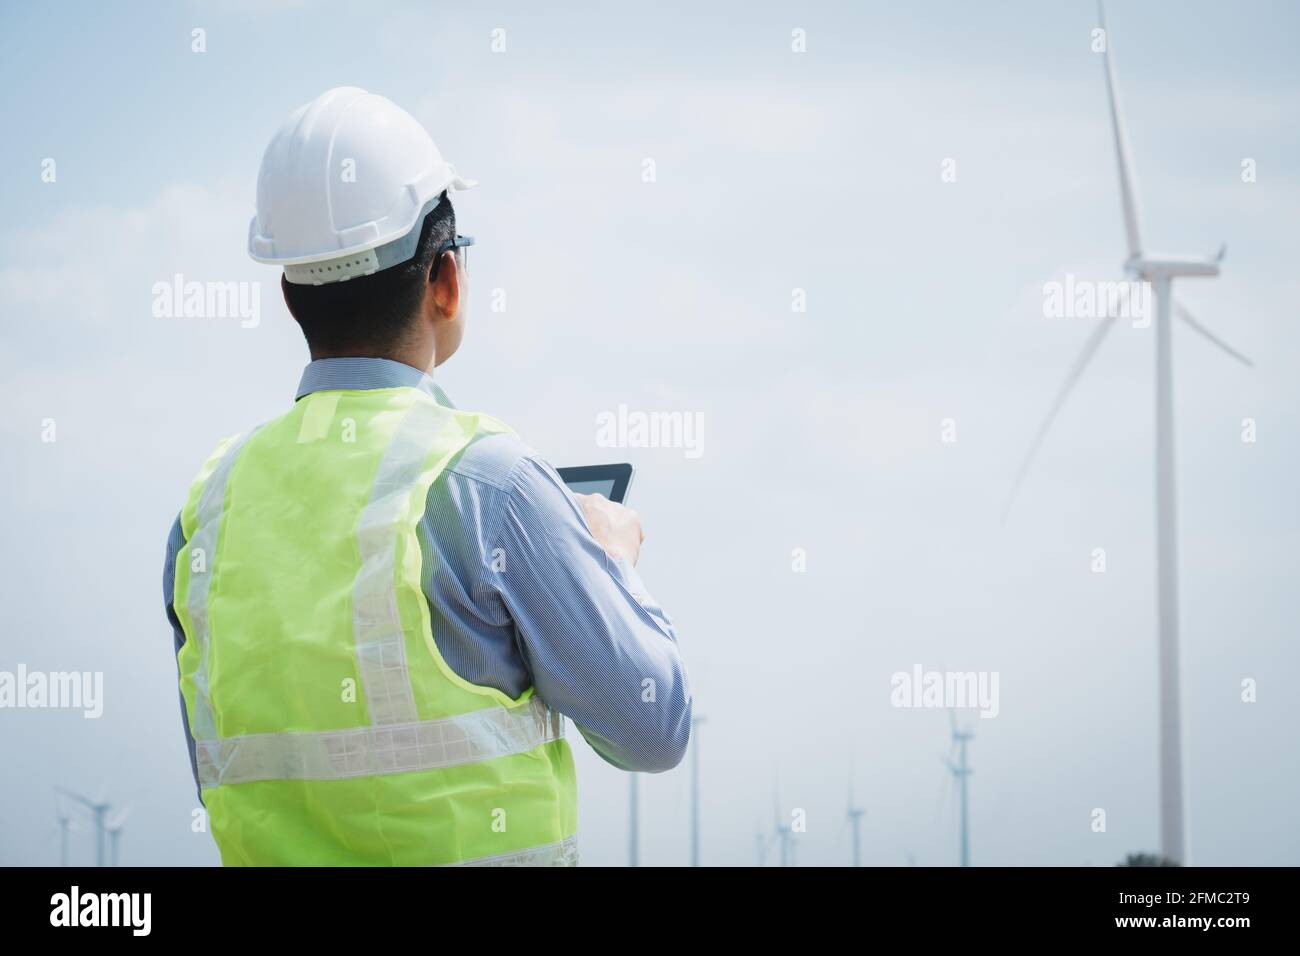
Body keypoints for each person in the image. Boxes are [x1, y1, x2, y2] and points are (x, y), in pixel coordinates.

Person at [161, 87, 691, 866]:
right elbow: (654, 731)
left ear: (288, 292)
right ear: (445, 280)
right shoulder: (491, 487)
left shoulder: (207, 510)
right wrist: (611, 564)